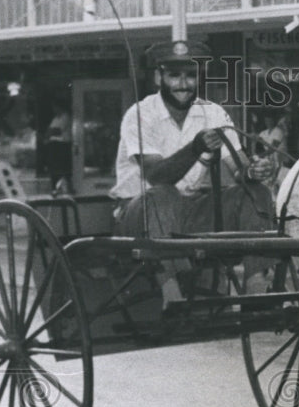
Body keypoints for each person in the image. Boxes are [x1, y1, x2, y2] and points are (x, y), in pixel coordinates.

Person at [109, 40, 277, 305]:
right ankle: (171, 291)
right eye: (174, 75)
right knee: (162, 194)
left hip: (190, 212)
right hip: (138, 217)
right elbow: (157, 176)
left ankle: (256, 284)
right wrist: (195, 148)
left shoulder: (213, 112)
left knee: (256, 193)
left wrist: (254, 170)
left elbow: (239, 168)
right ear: (158, 77)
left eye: (190, 74)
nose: (183, 84)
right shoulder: (139, 114)